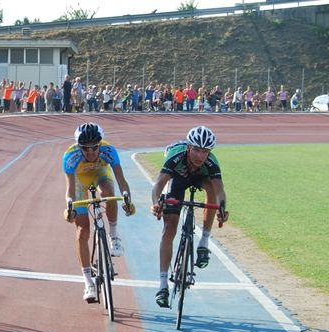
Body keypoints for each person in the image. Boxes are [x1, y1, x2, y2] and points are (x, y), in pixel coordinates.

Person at [150, 126, 229, 308]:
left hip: (201, 178)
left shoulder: (211, 163)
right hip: (178, 177)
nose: (200, 156)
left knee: (210, 189)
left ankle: (204, 243)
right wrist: (156, 203)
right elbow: (158, 185)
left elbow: (220, 190)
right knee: (169, 228)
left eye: (205, 151)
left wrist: (222, 208)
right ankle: (162, 285)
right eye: (196, 150)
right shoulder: (176, 155)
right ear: (188, 147)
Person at [62, 122, 136, 303]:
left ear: (100, 144)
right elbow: (70, 189)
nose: (90, 152)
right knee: (82, 232)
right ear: (79, 147)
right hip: (80, 181)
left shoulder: (109, 150)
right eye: (85, 149)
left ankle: (113, 234)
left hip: (101, 174)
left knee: (109, 193)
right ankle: (88, 283)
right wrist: (69, 206)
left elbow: (121, 180)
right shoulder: (70, 156)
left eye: (94, 147)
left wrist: (127, 199)